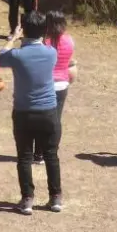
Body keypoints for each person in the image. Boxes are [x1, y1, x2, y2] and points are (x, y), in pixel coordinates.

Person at [0, 11, 61, 215]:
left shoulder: (16, 55)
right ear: (45, 31)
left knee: (24, 157)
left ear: (24, 30)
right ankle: (56, 197)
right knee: (51, 155)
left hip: (24, 112)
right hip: (49, 111)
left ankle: (27, 199)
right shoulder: (51, 53)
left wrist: (13, 38)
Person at [33, 10, 74, 165]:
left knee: (40, 121)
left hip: (45, 85)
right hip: (62, 84)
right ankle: (51, 152)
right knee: (56, 121)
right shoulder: (70, 41)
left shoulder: (43, 43)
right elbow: (69, 61)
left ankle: (38, 155)